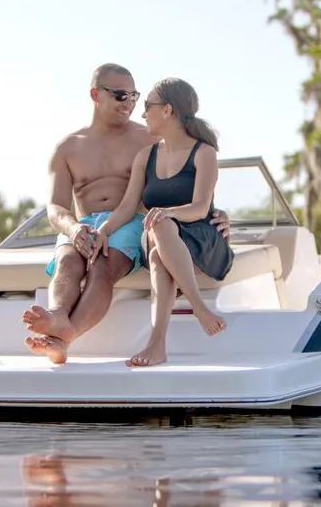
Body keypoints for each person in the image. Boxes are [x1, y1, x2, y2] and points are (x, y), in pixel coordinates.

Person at [22, 64, 231, 364]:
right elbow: (55, 207)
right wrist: (73, 230)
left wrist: (218, 213)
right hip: (84, 224)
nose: (130, 104)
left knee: (102, 266)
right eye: (121, 96)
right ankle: (57, 317)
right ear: (96, 94)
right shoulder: (67, 148)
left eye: (134, 96)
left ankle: (62, 337)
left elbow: (187, 181)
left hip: (132, 221)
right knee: (67, 260)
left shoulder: (148, 139)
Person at [89, 77, 234, 367]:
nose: (143, 114)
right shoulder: (146, 156)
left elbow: (200, 207)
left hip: (199, 239)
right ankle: (197, 309)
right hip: (161, 235)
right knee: (159, 236)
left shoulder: (204, 153)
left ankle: (158, 343)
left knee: (159, 239)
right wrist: (101, 231)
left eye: (147, 106)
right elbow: (128, 206)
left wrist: (169, 213)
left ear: (167, 110)